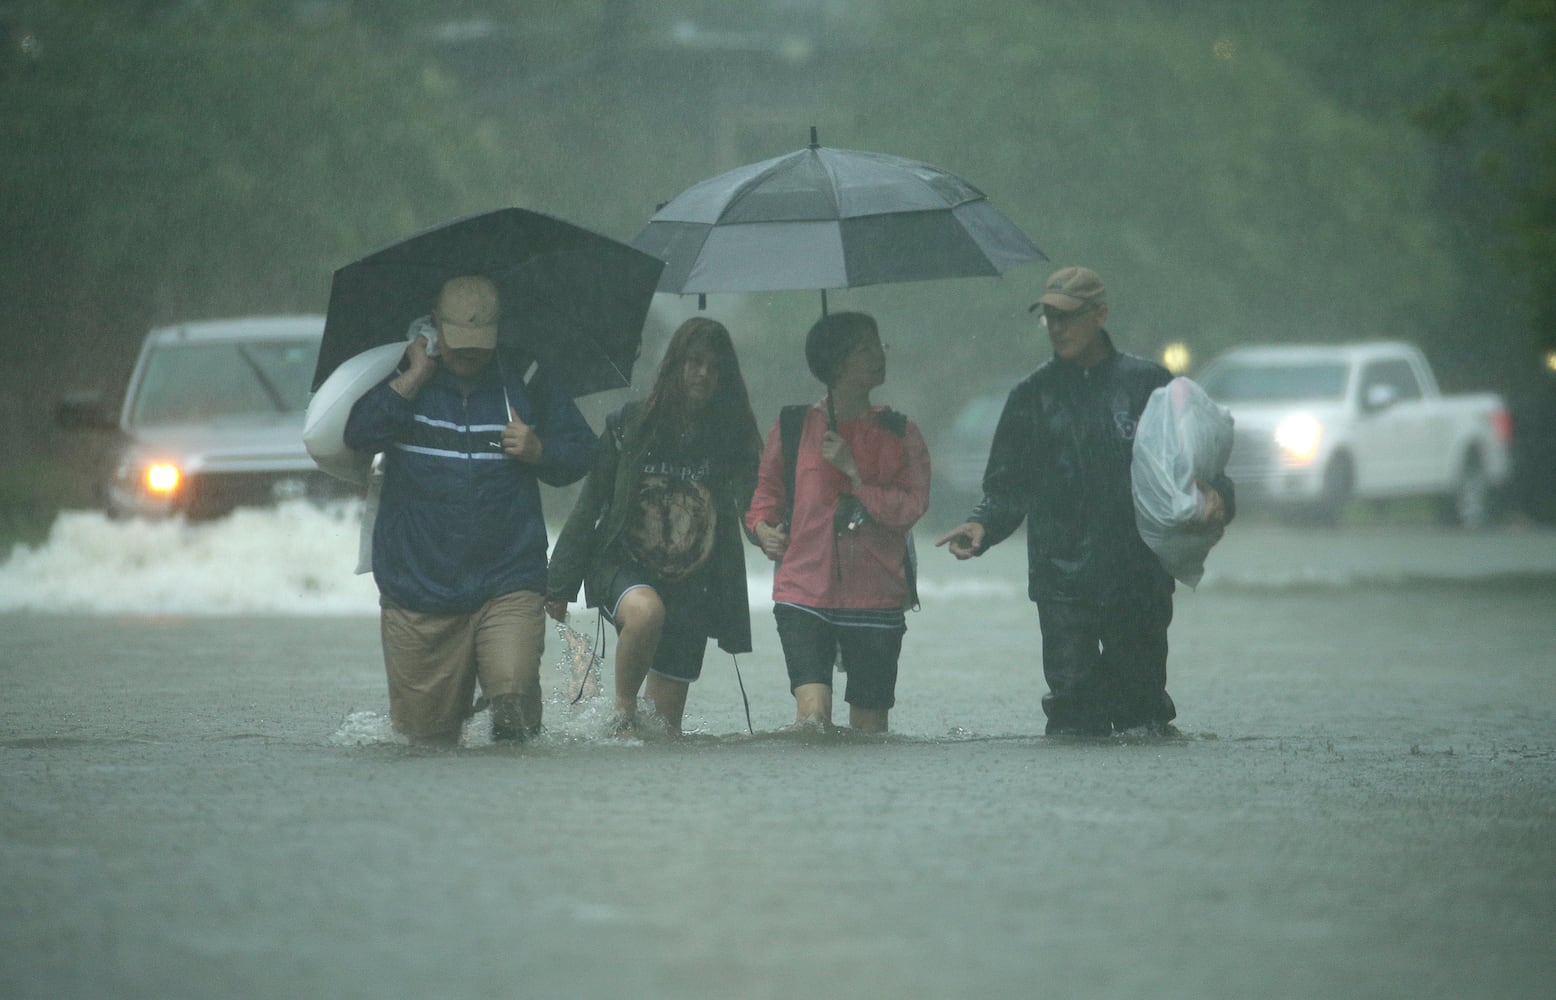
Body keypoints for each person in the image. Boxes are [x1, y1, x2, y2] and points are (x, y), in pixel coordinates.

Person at [936, 267, 1232, 737]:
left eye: (1068, 316)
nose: (1057, 327)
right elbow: (1008, 485)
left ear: (1100, 315)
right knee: (1073, 715)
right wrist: (983, 524)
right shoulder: (1031, 396)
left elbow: (1196, 468)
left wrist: (1219, 498)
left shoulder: (1148, 384)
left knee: (1143, 714)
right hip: (1061, 578)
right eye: (1050, 317)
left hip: (1137, 576)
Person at [343, 275, 596, 744]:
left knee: (515, 701)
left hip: (507, 578)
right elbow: (357, 435)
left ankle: (507, 797)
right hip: (417, 586)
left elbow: (583, 452)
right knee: (424, 743)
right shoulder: (401, 369)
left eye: (481, 346)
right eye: (459, 346)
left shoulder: (524, 375)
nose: (470, 356)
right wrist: (413, 378)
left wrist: (539, 449)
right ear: (436, 325)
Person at [545, 317, 762, 736]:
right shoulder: (631, 424)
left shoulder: (729, 438)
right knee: (646, 613)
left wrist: (766, 529)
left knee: (664, 734)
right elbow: (590, 502)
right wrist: (559, 582)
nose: (702, 374)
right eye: (694, 362)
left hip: (693, 587)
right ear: (675, 365)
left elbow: (751, 501)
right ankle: (621, 712)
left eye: (713, 367)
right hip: (622, 567)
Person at [746, 311, 931, 733]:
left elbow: (911, 506)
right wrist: (762, 530)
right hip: (802, 591)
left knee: (869, 730)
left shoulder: (900, 432)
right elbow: (765, 497)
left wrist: (855, 475)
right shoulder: (794, 426)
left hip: (876, 596)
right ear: (834, 363)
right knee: (812, 724)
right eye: (863, 348)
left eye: (877, 344)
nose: (877, 355)